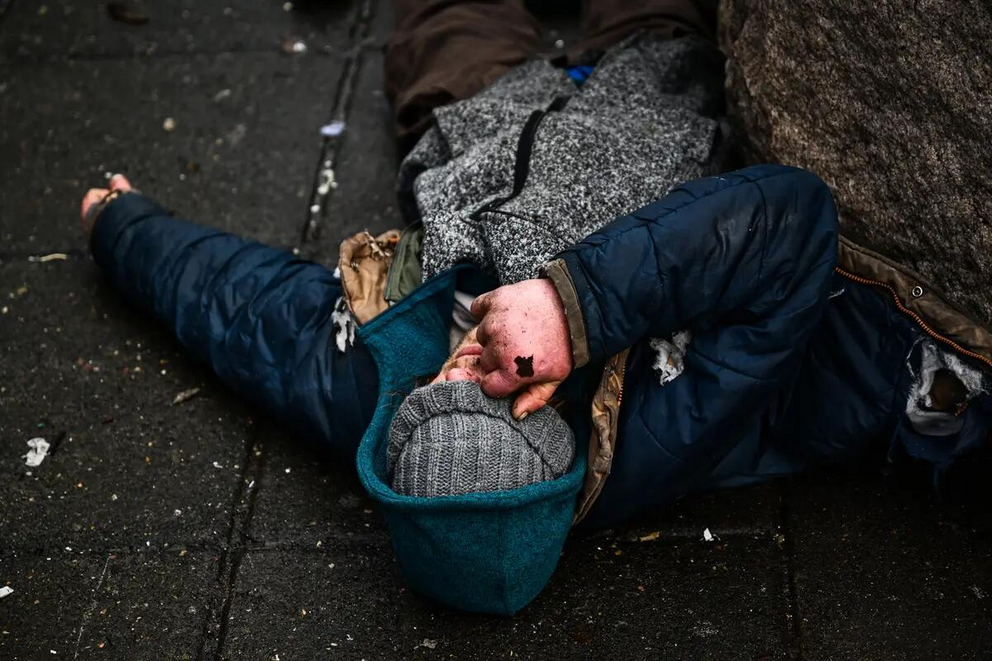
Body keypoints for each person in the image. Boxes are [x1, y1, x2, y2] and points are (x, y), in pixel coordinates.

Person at [80, 0, 992, 613]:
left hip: (475, 120)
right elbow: (793, 218)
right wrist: (577, 305)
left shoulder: (373, 387)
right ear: (550, 431)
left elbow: (245, 317)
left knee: (442, 24)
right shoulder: (677, 418)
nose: (455, 365)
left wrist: (124, 229)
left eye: (434, 391)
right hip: (653, 93)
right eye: (480, 388)